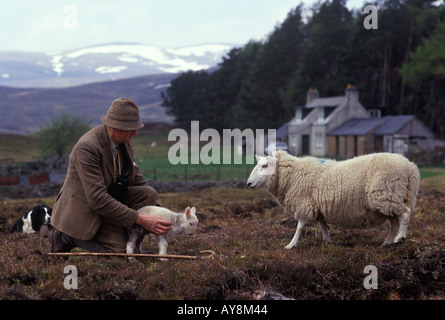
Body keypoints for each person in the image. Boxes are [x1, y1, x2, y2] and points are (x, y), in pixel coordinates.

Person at [49, 97, 172, 253]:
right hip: (86, 213)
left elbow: (137, 181)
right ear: (116, 128)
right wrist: (140, 219)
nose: (136, 133)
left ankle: (120, 231)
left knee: (148, 194)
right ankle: (64, 237)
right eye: (132, 128)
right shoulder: (87, 147)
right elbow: (97, 199)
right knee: (121, 253)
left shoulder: (124, 143)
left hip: (109, 204)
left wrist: (160, 213)